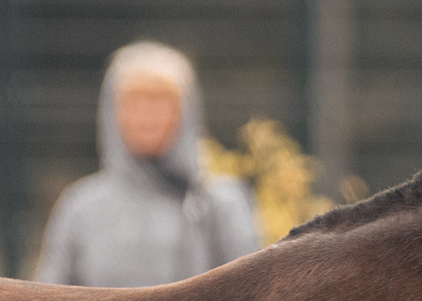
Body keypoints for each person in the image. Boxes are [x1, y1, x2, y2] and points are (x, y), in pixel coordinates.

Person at [35, 40, 260, 287]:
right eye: (133, 102)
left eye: (160, 101)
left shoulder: (217, 204)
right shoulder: (80, 207)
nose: (146, 115)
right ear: (112, 113)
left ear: (185, 112)